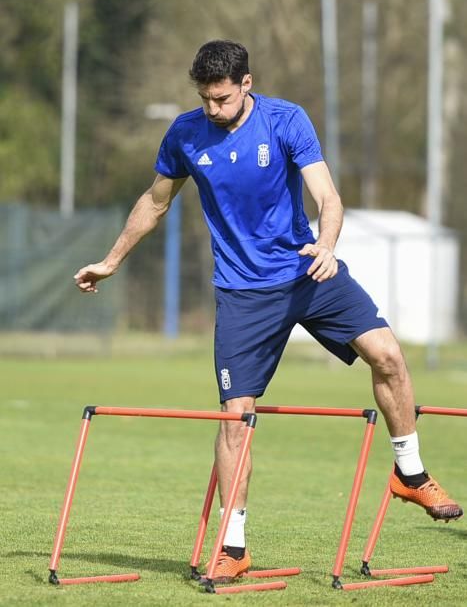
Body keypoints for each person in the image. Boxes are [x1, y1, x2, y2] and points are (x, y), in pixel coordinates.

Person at [75, 39, 462, 583]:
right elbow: (156, 200)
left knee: (389, 355)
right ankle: (233, 547)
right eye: (206, 99)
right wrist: (111, 261)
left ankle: (411, 472)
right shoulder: (185, 133)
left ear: (246, 85)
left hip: (308, 271)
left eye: (224, 98)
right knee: (237, 420)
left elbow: (328, 198)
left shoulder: (286, 121)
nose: (214, 109)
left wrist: (327, 246)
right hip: (242, 293)